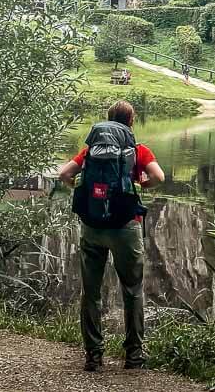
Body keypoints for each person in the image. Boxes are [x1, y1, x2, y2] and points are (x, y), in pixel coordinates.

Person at [58, 100, 165, 372]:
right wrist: (141, 184)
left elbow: (64, 173)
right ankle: (134, 356)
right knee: (132, 290)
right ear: (131, 122)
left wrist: (78, 187)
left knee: (91, 293)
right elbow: (159, 177)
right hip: (125, 227)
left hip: (92, 226)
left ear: (107, 120)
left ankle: (93, 356)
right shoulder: (138, 150)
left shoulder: (90, 151)